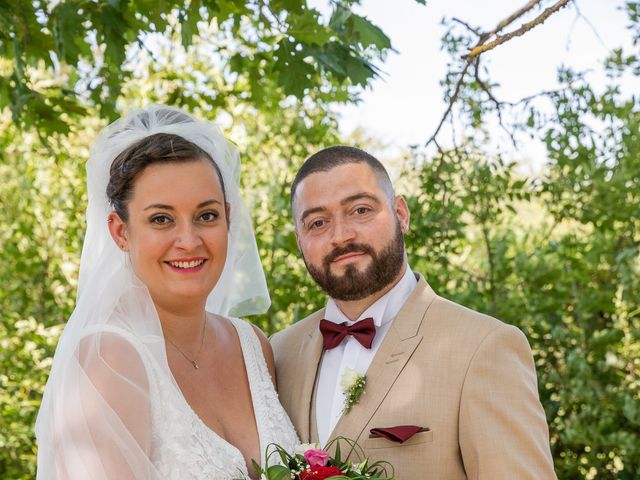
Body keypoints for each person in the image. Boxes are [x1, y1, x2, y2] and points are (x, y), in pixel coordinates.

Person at [35, 105, 298, 479]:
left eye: (206, 216)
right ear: (120, 232)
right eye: (161, 219)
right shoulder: (107, 361)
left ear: (227, 217)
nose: (189, 240)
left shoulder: (253, 346)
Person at [271, 146, 557, 479]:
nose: (341, 235)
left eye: (360, 210)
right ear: (299, 240)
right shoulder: (276, 353)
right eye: (318, 222)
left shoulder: (484, 347)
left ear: (401, 214)